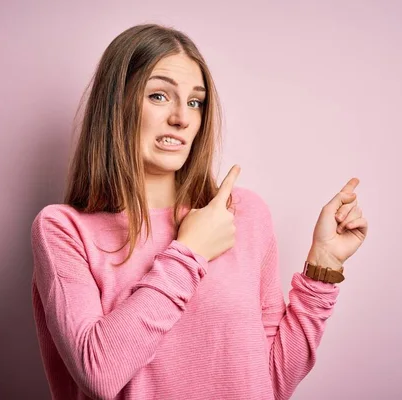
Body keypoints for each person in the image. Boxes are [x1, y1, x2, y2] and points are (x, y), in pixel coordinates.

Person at [30, 23, 368, 400]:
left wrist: (323, 267)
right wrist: (190, 252)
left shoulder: (243, 214)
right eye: (159, 96)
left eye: (195, 102)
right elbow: (99, 372)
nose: (182, 117)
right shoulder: (64, 230)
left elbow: (270, 381)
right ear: (116, 104)